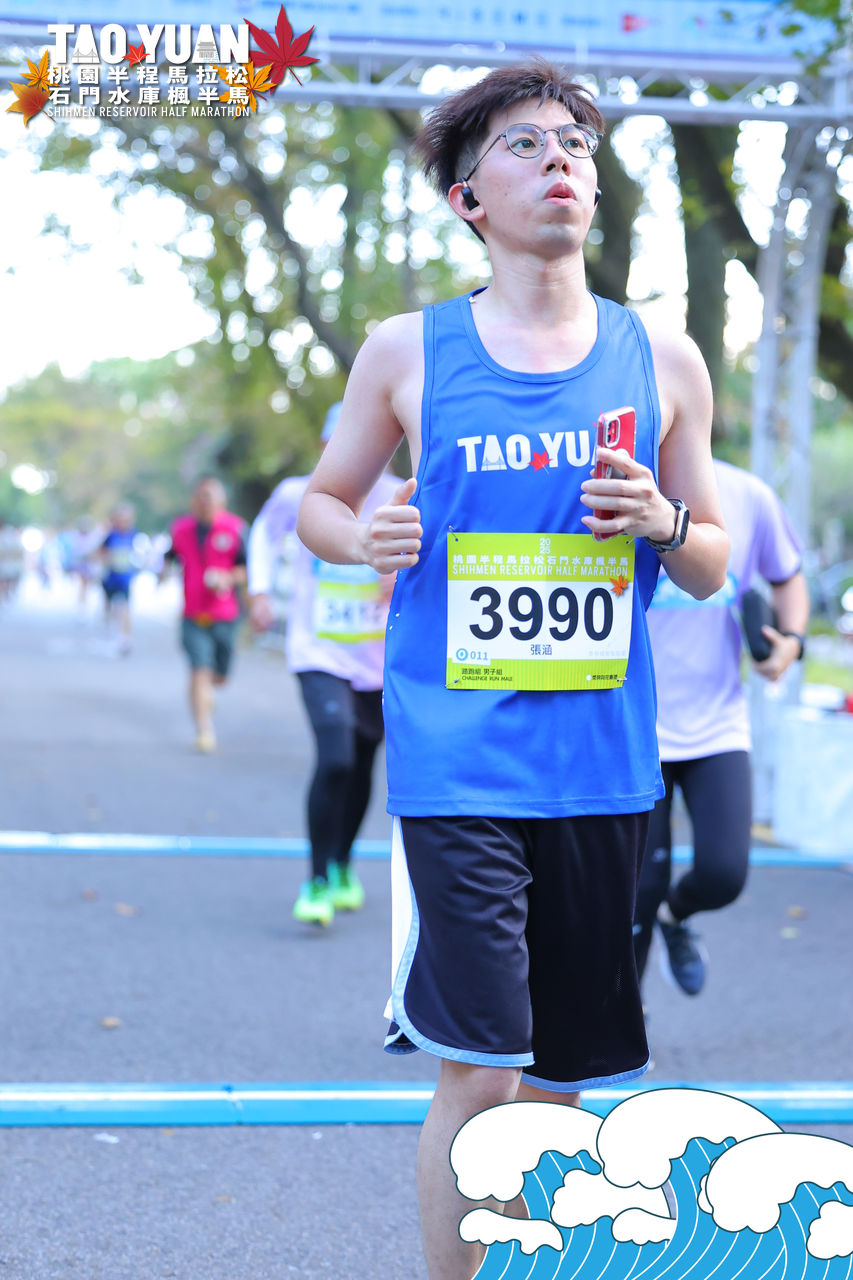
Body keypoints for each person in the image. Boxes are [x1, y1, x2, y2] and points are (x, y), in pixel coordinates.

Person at [296, 59, 728, 1280]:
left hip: (604, 766)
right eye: (527, 145)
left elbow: (709, 563)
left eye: (576, 144)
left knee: (562, 1082)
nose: (560, 162)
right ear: (468, 197)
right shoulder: (408, 350)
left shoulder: (665, 359)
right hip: (460, 762)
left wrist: (660, 521)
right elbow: (323, 503)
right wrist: (364, 536)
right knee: (480, 1067)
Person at [633, 458, 809, 996]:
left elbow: (788, 577)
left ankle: (675, 917)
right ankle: (625, 1018)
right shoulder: (619, 485)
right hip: (634, 725)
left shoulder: (749, 495)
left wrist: (792, 642)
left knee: (724, 874)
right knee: (637, 889)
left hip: (718, 724)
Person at [247, 404, 399, 927]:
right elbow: (262, 536)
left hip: (377, 659)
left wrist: (403, 575)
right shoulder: (299, 495)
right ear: (325, 446)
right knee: (335, 756)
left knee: (361, 764)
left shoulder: (402, 494)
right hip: (318, 652)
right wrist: (259, 591)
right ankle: (315, 879)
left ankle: (342, 864)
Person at [162, 477, 247, 753]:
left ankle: (208, 692)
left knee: (219, 677)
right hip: (193, 615)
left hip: (225, 614)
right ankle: (204, 730)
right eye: (201, 497)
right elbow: (170, 557)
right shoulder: (180, 529)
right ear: (193, 500)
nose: (205, 502)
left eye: (211, 497)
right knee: (199, 670)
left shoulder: (235, 529)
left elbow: (246, 569)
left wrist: (227, 578)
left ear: (222, 501)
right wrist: (163, 573)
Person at [99, 502, 139, 655]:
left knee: (125, 607)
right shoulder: (110, 535)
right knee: (110, 607)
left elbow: (140, 555)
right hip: (110, 578)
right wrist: (106, 560)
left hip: (125, 578)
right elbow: (101, 552)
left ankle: (125, 638)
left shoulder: (135, 535)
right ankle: (112, 631)